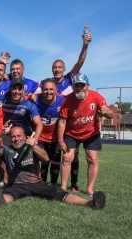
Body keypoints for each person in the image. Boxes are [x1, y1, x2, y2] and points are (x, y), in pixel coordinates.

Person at [0, 121, 106, 209]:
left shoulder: (32, 147)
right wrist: (2, 135)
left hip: (36, 183)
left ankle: (90, 203)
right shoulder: (8, 150)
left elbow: (45, 158)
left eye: (19, 136)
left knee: (57, 192)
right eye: (13, 137)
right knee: (8, 194)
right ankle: (1, 201)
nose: (16, 139)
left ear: (25, 136)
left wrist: (34, 146)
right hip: (16, 184)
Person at [46, 31, 92, 192]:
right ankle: (52, 182)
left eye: (59, 67)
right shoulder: (49, 84)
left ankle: (74, 183)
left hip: (70, 126)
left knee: (73, 155)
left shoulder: (69, 79)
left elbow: (80, 62)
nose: (57, 69)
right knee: (57, 155)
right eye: (54, 67)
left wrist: (85, 44)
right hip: (55, 125)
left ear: (64, 69)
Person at [58, 74, 113, 196]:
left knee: (92, 158)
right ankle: (63, 187)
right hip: (72, 133)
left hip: (91, 133)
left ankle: (89, 189)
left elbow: (110, 115)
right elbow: (62, 121)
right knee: (67, 158)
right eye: (77, 85)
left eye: (82, 85)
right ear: (73, 87)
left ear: (87, 86)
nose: (80, 88)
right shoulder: (68, 100)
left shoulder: (96, 97)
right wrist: (61, 141)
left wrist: (107, 112)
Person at [34, 78, 65, 185]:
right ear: (41, 89)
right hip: (40, 137)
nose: (48, 92)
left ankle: (53, 185)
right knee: (43, 160)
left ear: (56, 90)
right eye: (46, 89)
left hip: (55, 138)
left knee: (55, 162)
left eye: (51, 89)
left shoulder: (63, 100)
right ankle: (40, 183)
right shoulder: (35, 99)